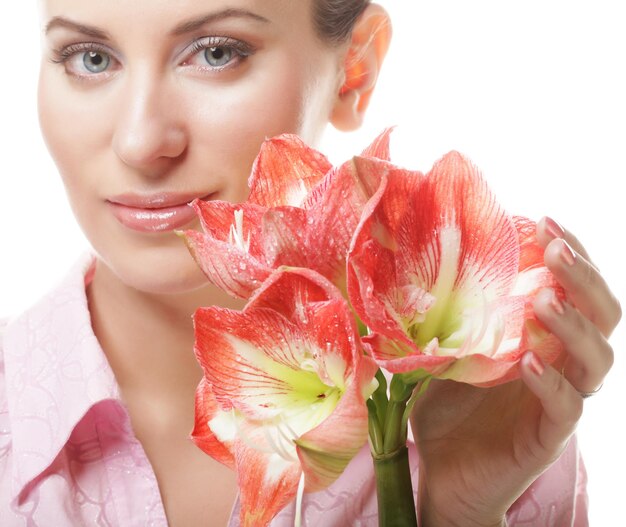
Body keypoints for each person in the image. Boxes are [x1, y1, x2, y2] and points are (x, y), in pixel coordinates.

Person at [0, 0, 620, 525]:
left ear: (355, 68)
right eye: (90, 57)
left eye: (216, 52)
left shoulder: (494, 417)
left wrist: (455, 514)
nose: (140, 142)